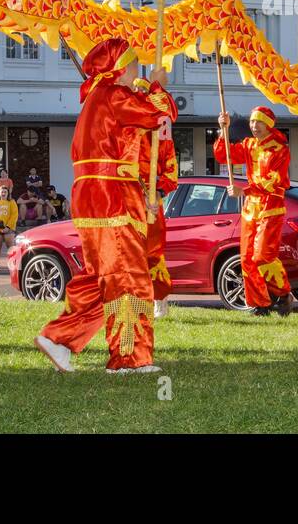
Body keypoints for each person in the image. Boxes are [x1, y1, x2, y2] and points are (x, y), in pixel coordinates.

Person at [35, 38, 176, 375]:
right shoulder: (114, 94)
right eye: (134, 65)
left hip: (94, 194)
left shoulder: (99, 97)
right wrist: (157, 87)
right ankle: (127, 358)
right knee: (129, 275)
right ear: (120, 68)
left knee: (101, 277)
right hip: (112, 193)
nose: (136, 71)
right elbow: (159, 116)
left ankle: (60, 338)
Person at [214, 105, 293, 317]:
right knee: (247, 258)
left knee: (262, 257)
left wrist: (245, 189)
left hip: (271, 207)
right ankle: (260, 304)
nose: (254, 126)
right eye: (251, 122)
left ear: (268, 124)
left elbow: (273, 181)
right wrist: (223, 130)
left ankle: (283, 292)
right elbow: (224, 156)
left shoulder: (280, 149)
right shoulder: (248, 145)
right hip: (251, 208)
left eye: (258, 122)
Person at [134, 76, 179, 319]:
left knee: (152, 251)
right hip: (126, 195)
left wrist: (159, 189)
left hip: (149, 197)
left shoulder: (160, 138)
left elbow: (170, 168)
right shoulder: (125, 127)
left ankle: (159, 298)